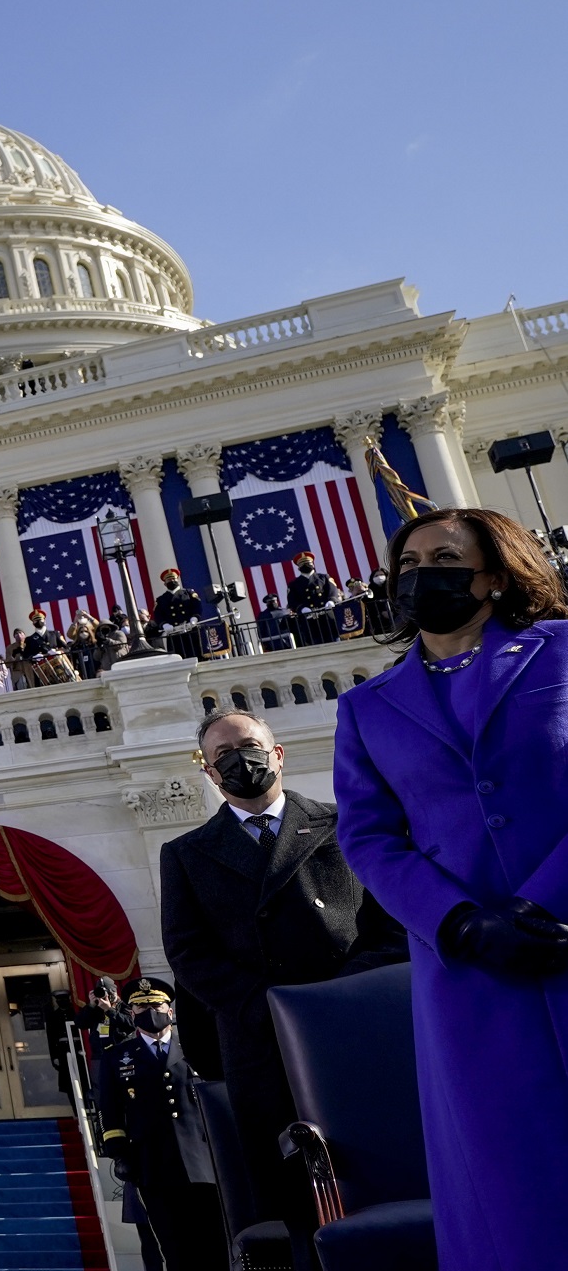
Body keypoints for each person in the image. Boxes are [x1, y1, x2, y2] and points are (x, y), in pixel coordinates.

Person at [331, 507, 568, 1268]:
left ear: (493, 575)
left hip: (561, 930)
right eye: (405, 563)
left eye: (441, 556)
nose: (417, 573)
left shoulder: (561, 652)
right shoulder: (365, 708)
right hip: (469, 972)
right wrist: (459, 922)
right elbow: (367, 837)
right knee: (509, 1179)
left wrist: (544, 901)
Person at [160, 708, 405, 1266]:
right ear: (210, 773)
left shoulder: (345, 825)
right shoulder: (186, 854)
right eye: (221, 755)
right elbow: (188, 953)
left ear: (277, 753)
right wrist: (266, 1005)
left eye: (247, 745)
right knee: (296, 1200)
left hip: (356, 1033)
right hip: (261, 1047)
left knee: (383, 1183)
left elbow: (391, 927)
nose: (237, 760)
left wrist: (333, 1000)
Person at [93, 983, 222, 1271]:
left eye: (156, 1006)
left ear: (170, 1010)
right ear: (132, 1012)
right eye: (141, 1007)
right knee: (172, 1245)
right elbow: (109, 1110)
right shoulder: (118, 1057)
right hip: (151, 1164)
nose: (150, 1012)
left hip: (204, 1163)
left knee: (215, 1242)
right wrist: (119, 1152)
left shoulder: (196, 1048)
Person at [285, 553, 338, 643]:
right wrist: (301, 608)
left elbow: (332, 590)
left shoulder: (324, 577)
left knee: (333, 639)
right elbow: (292, 601)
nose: (306, 565)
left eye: (308, 563)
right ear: (298, 567)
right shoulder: (294, 584)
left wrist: (331, 600)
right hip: (309, 620)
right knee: (315, 642)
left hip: (327, 616)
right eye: (302, 564)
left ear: (313, 564)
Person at [153, 570, 203, 658]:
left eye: (174, 579)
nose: (172, 581)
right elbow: (158, 615)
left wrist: (195, 617)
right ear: (165, 584)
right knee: (179, 656)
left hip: (190, 630)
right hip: (174, 633)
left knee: (197, 654)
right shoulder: (161, 599)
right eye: (169, 580)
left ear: (178, 580)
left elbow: (197, 606)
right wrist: (164, 624)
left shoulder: (188, 593)